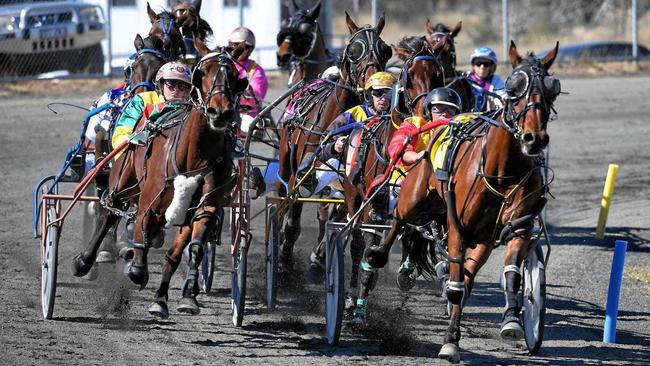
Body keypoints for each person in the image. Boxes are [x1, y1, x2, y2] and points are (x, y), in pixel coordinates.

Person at [384, 87, 461, 295]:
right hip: (402, 179)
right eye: (439, 109)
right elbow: (397, 148)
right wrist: (418, 157)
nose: (444, 115)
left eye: (450, 111)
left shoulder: (458, 130)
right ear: (428, 111)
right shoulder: (414, 124)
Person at [112, 61, 193, 151]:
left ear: (187, 90)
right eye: (171, 83)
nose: (176, 89)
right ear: (161, 85)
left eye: (182, 86)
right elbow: (120, 135)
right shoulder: (142, 100)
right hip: (136, 153)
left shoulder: (191, 108)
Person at [466, 46, 506, 111]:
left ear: (492, 67)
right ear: (473, 65)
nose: (482, 67)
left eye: (486, 64)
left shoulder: (497, 82)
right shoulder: (465, 79)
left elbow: (502, 101)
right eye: (478, 63)